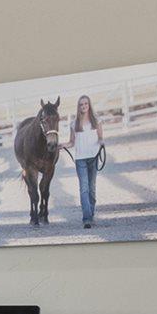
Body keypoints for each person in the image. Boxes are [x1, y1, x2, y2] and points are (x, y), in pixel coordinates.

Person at [67, 95, 105, 229]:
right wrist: (62, 145)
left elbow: (100, 137)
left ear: (89, 105)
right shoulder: (74, 123)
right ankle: (87, 218)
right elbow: (72, 142)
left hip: (93, 157)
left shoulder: (96, 120)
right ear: (79, 107)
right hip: (80, 159)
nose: (83, 106)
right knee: (84, 189)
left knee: (92, 189)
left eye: (86, 104)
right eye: (81, 104)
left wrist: (101, 142)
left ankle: (91, 214)